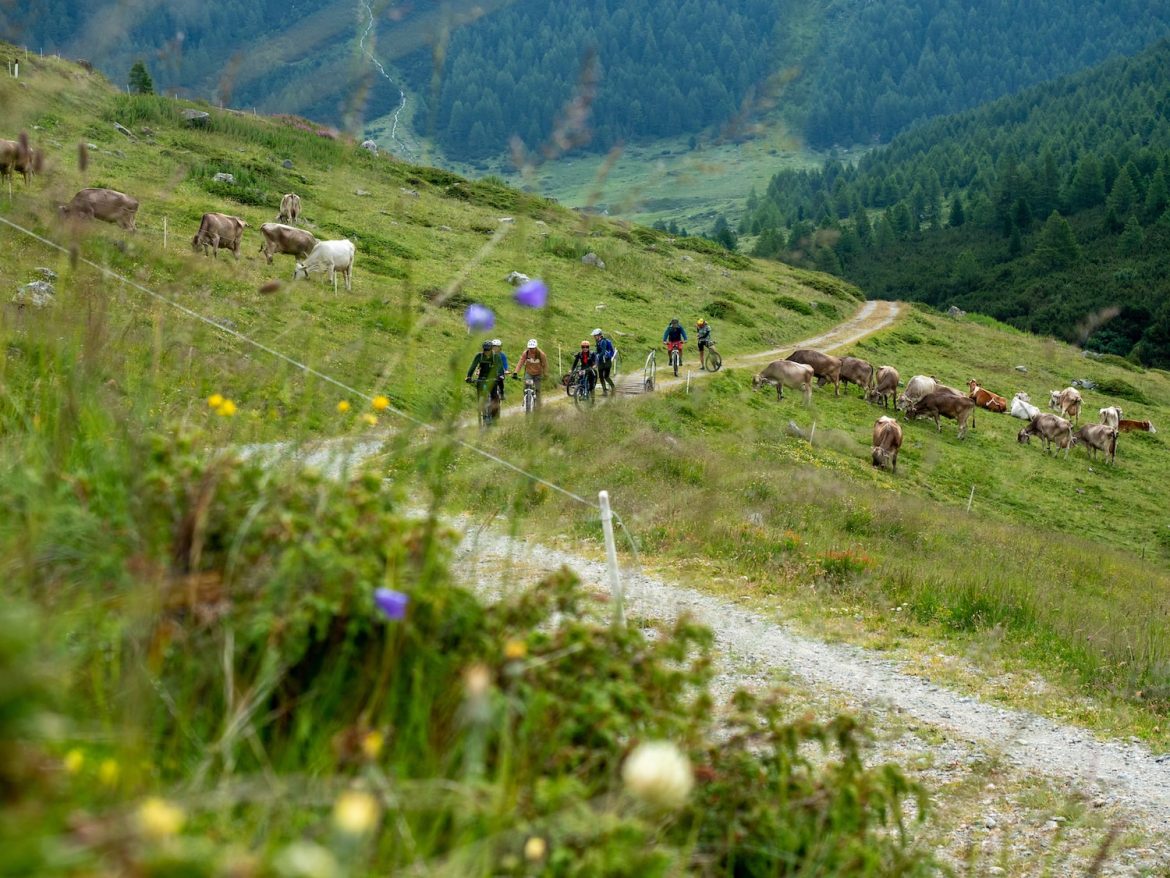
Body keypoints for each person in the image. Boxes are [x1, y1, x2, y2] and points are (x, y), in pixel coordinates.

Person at [465, 339, 505, 422]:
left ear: (491, 349)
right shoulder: (479, 356)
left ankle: (494, 416)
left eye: (488, 350)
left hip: (492, 378)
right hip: (481, 378)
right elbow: (473, 366)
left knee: (494, 396)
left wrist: (501, 375)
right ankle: (481, 407)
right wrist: (468, 376)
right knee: (479, 393)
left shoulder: (496, 356)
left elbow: (500, 367)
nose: (486, 352)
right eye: (485, 350)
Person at [512, 338, 549, 406]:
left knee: (537, 389)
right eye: (530, 348)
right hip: (529, 373)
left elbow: (545, 365)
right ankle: (526, 399)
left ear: (536, 347)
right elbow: (520, 363)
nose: (531, 349)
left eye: (533, 348)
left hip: (538, 374)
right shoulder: (526, 353)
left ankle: (538, 403)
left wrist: (545, 374)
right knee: (526, 386)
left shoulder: (541, 354)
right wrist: (515, 372)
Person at [591, 328, 616, 396]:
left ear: (599, 335)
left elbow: (603, 351)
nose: (594, 337)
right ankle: (605, 391)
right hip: (601, 361)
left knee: (606, 376)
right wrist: (594, 354)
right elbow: (598, 351)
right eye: (594, 336)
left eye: (595, 335)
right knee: (601, 377)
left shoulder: (604, 341)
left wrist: (597, 357)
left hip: (606, 361)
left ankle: (613, 388)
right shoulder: (598, 341)